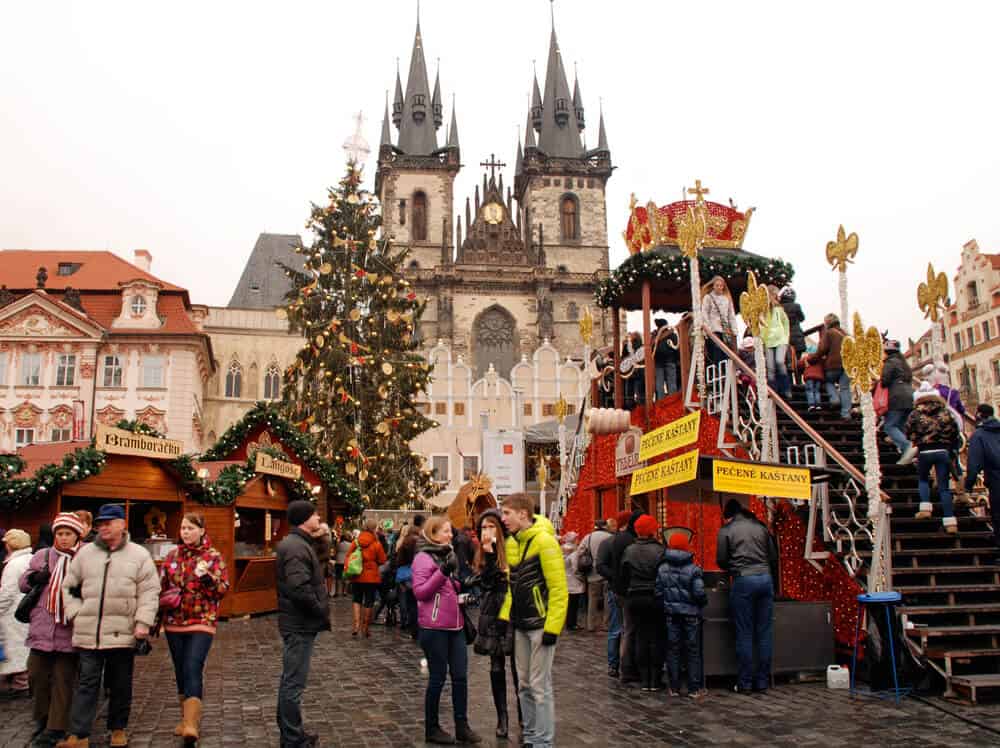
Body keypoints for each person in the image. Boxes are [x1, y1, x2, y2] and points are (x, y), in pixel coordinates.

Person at [57, 504, 159, 748]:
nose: (103, 527)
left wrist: (143, 622)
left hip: (123, 632)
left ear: (121, 525)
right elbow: (69, 586)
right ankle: (79, 734)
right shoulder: (86, 554)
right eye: (100, 523)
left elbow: (149, 591)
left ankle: (117, 729)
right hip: (89, 632)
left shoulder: (138, 555)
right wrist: (75, 613)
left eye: (108, 523)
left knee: (120, 683)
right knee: (87, 683)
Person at [499, 494, 568, 748]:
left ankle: (543, 741)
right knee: (524, 685)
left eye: (507, 513)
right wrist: (505, 617)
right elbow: (511, 586)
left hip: (540, 625)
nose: (503, 519)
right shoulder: (512, 543)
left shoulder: (545, 541)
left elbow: (559, 589)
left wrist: (553, 628)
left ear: (523, 514)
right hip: (520, 624)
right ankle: (529, 735)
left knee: (540, 685)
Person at [159, 512, 230, 743]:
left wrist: (207, 578)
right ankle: (185, 718)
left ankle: (191, 724)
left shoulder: (213, 557)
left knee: (192, 666)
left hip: (202, 620)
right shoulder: (171, 556)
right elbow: (161, 587)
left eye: (190, 528)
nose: (186, 532)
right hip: (174, 622)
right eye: (183, 528)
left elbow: (222, 589)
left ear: (201, 530)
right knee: (180, 670)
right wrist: (155, 618)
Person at [412, 516, 481, 745]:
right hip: (434, 627)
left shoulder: (448, 554)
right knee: (438, 678)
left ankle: (462, 726)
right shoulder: (423, 558)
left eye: (450, 531)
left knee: (460, 677)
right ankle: (432, 728)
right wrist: (442, 572)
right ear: (432, 534)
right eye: (445, 531)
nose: (451, 535)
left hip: (456, 625)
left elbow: (448, 588)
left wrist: (465, 584)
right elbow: (421, 592)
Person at [20, 513, 85, 746]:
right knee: (36, 674)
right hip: (42, 626)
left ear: (77, 535)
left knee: (63, 680)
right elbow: (23, 582)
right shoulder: (43, 555)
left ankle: (56, 728)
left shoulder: (84, 557)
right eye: (60, 533)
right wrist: (37, 577)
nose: (64, 538)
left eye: (68, 534)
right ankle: (42, 718)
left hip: (69, 629)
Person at [275, 500, 330, 748]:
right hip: (299, 623)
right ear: (303, 518)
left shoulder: (299, 543)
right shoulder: (296, 547)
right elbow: (299, 587)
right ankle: (292, 738)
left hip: (298, 622)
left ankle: (291, 733)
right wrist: (318, 609)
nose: (318, 517)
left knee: (291, 680)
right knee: (294, 683)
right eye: (314, 514)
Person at [466, 509, 520, 739]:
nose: (487, 532)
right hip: (492, 611)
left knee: (519, 667)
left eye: (490, 527)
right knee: (496, 665)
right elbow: (487, 583)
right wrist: (488, 555)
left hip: (513, 609)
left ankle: (523, 718)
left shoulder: (512, 546)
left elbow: (512, 577)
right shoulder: (484, 552)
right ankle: (502, 718)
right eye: (483, 528)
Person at [716, 499, 777, 694]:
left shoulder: (726, 530)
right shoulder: (761, 527)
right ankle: (762, 681)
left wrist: (734, 568)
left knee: (744, 632)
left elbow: (721, 560)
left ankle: (745, 682)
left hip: (743, 580)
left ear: (729, 515)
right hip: (765, 579)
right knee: (764, 632)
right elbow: (773, 556)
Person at [656, 532, 708, 699]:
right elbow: (699, 593)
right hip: (691, 614)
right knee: (693, 650)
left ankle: (674, 687)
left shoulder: (662, 568)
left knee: (673, 650)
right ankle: (694, 688)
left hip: (671, 614)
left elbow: (658, 592)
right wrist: (701, 604)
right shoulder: (694, 569)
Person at [906, 381, 961, 533]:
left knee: (923, 479)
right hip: (943, 451)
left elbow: (908, 431)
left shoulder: (915, 413)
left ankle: (925, 508)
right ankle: (950, 522)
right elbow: (955, 431)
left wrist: (916, 439)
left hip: (924, 451)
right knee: (944, 487)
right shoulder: (945, 412)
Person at [619, 515, 665, 692]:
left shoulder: (629, 550)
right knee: (656, 637)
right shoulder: (660, 550)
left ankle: (644, 679)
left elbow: (623, 576)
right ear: (652, 530)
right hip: (654, 596)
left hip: (634, 597)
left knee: (640, 637)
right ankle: (655, 678)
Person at [608, 510, 642, 684]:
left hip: (618, 589)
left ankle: (617, 665)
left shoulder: (617, 538)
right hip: (627, 590)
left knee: (620, 629)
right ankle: (626, 669)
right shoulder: (629, 541)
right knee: (628, 630)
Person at [0, 529, 33, 699]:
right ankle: (21, 683)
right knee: (21, 649)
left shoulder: (13, 564)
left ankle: (20, 685)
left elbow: (7, 593)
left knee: (15, 650)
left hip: (12, 613)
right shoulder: (29, 559)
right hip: (24, 612)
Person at [965, 403, 1000, 556]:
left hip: (996, 479)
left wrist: (968, 485)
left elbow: (974, 463)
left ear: (979, 415)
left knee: (998, 515)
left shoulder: (979, 435)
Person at [596, 512, 628, 678]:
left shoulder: (608, 542)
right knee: (622, 629)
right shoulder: (614, 542)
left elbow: (600, 565)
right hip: (620, 588)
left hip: (614, 587)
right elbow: (600, 565)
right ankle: (618, 664)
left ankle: (613, 664)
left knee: (615, 628)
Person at [346, 518, 387, 637]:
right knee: (369, 601)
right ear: (374, 529)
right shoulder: (376, 543)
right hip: (371, 576)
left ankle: (356, 625)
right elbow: (382, 560)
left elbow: (348, 556)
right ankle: (365, 628)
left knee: (356, 599)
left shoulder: (356, 542)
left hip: (357, 574)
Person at [882, 339, 917, 464]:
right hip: (909, 397)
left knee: (889, 426)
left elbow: (884, 380)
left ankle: (907, 446)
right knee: (901, 426)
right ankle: (906, 456)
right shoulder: (904, 364)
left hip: (897, 397)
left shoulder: (890, 363)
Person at [813, 313, 850, 419]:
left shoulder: (829, 333)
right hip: (847, 366)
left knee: (829, 382)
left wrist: (812, 359)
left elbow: (822, 350)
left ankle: (834, 399)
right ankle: (846, 414)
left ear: (827, 322)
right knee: (845, 388)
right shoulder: (846, 334)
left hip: (833, 364)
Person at [580, 519, 613, 632]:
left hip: (592, 572)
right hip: (607, 570)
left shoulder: (588, 537)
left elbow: (580, 551)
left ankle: (591, 624)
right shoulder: (609, 537)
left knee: (592, 599)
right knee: (607, 599)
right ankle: (606, 624)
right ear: (605, 526)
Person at [701, 275, 739, 369]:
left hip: (725, 331)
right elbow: (704, 313)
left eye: (721, 285)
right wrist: (708, 330)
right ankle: (718, 373)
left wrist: (734, 330)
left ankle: (726, 375)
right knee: (716, 353)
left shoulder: (727, 299)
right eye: (717, 285)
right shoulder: (708, 297)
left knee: (726, 354)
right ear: (713, 286)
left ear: (723, 286)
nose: (719, 287)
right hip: (713, 330)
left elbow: (731, 315)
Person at [762, 285, 791, 398]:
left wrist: (786, 337)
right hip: (768, 340)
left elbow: (785, 323)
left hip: (780, 340)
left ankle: (786, 388)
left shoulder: (779, 309)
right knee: (770, 367)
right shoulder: (763, 311)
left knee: (779, 361)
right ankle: (772, 390)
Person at [561, 532, 585, 631]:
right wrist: (581, 578)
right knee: (574, 605)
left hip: (565, 579)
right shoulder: (574, 552)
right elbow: (575, 568)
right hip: (574, 582)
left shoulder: (562, 550)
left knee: (569, 604)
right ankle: (572, 624)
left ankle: (568, 623)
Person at [652, 318, 680, 398]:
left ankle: (661, 402)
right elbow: (676, 347)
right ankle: (672, 402)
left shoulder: (654, 335)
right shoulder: (671, 334)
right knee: (671, 383)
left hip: (658, 362)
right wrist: (677, 360)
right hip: (670, 360)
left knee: (659, 384)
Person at [779, 286, 806, 366]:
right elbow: (802, 318)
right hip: (797, 337)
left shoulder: (779, 308)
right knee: (797, 363)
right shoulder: (796, 306)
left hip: (784, 337)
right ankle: (798, 376)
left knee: (786, 363)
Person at [310, 522, 333, 598]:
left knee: (320, 580)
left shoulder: (322, 539)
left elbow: (319, 551)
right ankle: (327, 593)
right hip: (326, 562)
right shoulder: (328, 538)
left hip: (321, 562)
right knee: (327, 578)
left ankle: (321, 594)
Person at [799, 342, 825, 411]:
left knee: (810, 390)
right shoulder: (820, 359)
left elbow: (799, 366)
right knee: (817, 391)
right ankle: (818, 405)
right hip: (819, 377)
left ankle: (811, 405)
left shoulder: (806, 358)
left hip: (809, 377)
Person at [334, 530, 352, 598]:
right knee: (346, 578)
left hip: (338, 562)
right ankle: (344, 592)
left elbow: (335, 552)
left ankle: (337, 592)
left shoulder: (338, 544)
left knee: (338, 578)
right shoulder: (350, 545)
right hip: (346, 562)